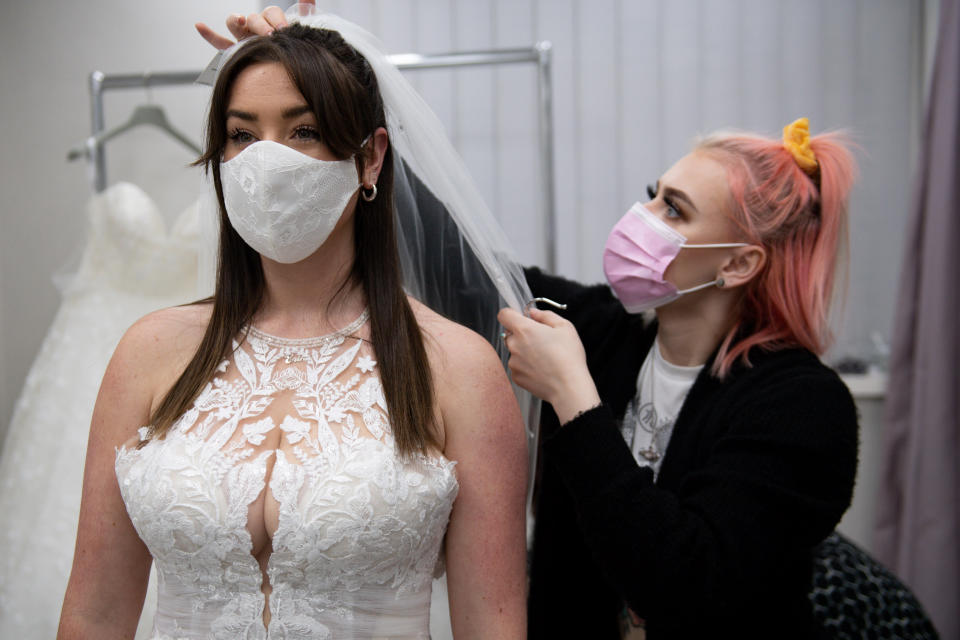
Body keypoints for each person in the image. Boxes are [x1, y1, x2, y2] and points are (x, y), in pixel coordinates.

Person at [57, 11, 528, 639]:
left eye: (302, 131)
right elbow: (94, 613)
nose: (266, 162)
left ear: (370, 159)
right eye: (242, 135)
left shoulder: (457, 368)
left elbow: (492, 626)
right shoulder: (149, 352)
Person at [498, 119, 860, 639]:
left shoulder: (804, 408)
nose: (638, 219)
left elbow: (681, 582)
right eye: (653, 196)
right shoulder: (605, 331)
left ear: (738, 264)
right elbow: (464, 264)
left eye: (673, 209)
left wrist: (572, 397)